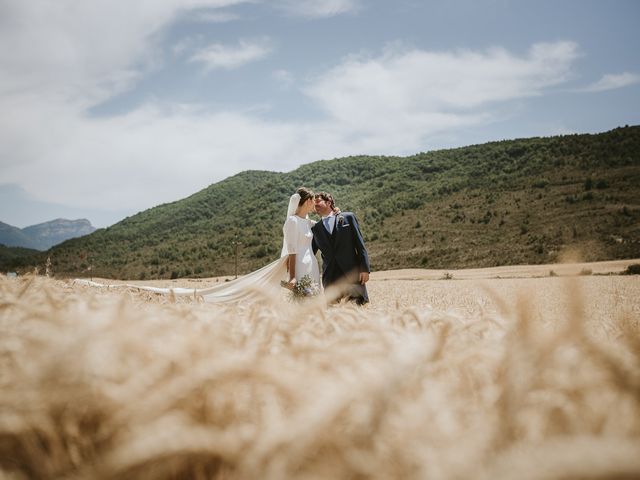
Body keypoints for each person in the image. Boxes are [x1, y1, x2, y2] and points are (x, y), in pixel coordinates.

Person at [74, 187, 321, 303]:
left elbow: (317, 229)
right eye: (311, 201)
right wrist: (290, 276)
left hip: (310, 264)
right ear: (304, 201)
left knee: (308, 297)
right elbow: (291, 250)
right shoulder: (291, 222)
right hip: (298, 263)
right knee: (298, 298)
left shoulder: (307, 222)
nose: (313, 204)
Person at [312, 191, 370, 305]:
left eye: (318, 201)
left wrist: (365, 268)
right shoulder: (315, 228)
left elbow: (360, 244)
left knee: (358, 309)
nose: (315, 205)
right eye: (314, 203)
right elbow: (309, 252)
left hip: (352, 273)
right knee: (333, 315)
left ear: (328, 202)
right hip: (330, 277)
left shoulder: (348, 217)